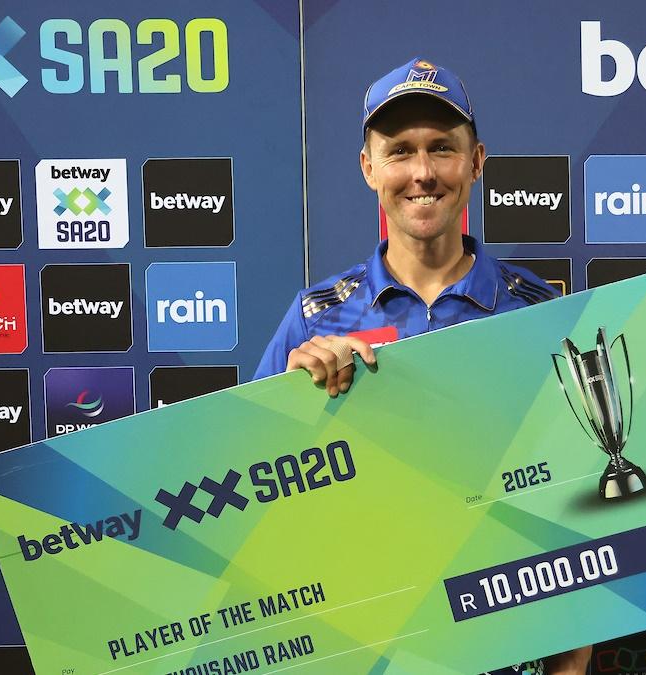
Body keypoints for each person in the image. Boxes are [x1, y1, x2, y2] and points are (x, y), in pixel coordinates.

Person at [253, 57, 591, 675]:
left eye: (443, 149)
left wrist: (572, 661)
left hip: (502, 649)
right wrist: (292, 400)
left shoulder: (541, 314)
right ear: (368, 167)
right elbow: (251, 501)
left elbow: (581, 507)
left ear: (477, 161)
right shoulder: (313, 319)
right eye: (401, 150)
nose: (423, 173)